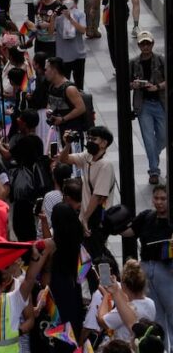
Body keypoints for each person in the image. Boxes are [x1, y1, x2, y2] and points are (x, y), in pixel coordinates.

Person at [122, 185, 173, 340]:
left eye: (163, 199)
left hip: (167, 270)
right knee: (156, 316)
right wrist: (113, 225)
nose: (159, 202)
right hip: (146, 269)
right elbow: (129, 231)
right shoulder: (146, 216)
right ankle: (160, 347)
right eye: (156, 198)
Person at [59, 126, 116, 256]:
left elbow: (98, 196)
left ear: (104, 143)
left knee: (94, 253)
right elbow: (64, 159)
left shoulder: (106, 165)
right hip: (87, 216)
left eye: (94, 139)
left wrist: (85, 219)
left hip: (96, 218)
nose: (89, 141)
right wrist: (67, 144)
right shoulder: (88, 156)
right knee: (87, 253)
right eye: (89, 138)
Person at [131, 30, 167, 185]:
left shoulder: (161, 60)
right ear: (139, 45)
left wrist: (157, 87)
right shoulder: (133, 62)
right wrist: (134, 85)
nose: (145, 46)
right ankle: (153, 170)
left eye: (148, 43)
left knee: (163, 136)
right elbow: (126, 82)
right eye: (142, 44)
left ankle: (153, 155)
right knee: (148, 139)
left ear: (152, 43)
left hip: (160, 102)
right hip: (143, 104)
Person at [98, 259, 156, 341]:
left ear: (124, 285)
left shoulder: (123, 310)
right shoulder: (151, 303)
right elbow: (127, 300)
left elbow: (102, 322)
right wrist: (117, 290)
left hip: (125, 346)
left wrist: (106, 295)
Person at [44, 57, 87, 133]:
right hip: (58, 130)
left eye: (46, 69)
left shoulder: (69, 88)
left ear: (54, 70)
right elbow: (53, 103)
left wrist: (63, 119)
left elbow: (81, 108)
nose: (45, 73)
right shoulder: (52, 86)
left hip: (71, 132)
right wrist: (49, 111)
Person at [55, 0, 88, 89]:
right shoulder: (57, 15)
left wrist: (70, 19)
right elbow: (50, 31)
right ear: (61, 0)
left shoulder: (80, 14)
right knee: (64, 85)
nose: (68, 0)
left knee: (79, 85)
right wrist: (53, 18)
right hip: (63, 56)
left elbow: (82, 30)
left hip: (78, 55)